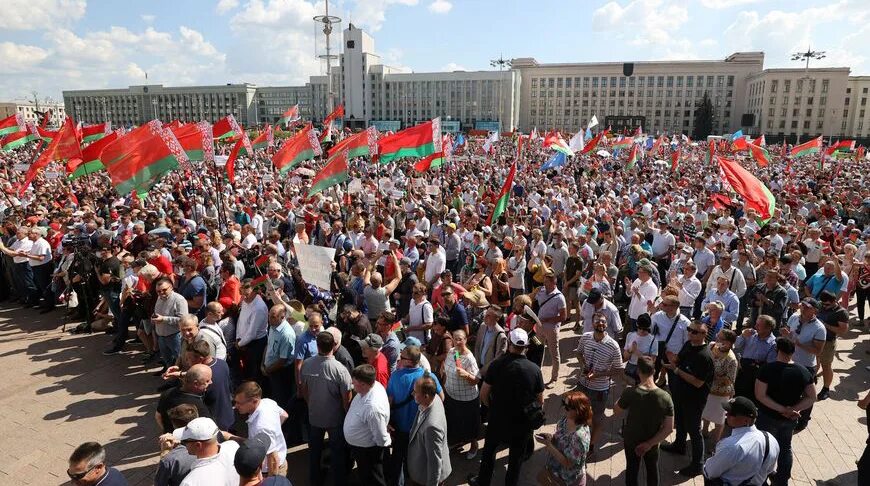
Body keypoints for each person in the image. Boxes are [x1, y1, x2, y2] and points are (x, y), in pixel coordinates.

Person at [469, 328, 544, 486]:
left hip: (498, 419)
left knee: (489, 452)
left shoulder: (496, 365)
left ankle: (483, 482)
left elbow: (484, 393)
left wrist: (491, 407)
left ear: (509, 343)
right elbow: (540, 400)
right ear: (526, 346)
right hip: (522, 424)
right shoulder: (535, 370)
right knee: (516, 460)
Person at [755, 337, 816, 486]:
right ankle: (782, 481)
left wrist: (782, 409)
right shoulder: (803, 371)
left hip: (767, 417)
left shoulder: (767, 369)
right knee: (785, 448)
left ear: (777, 350)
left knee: (764, 449)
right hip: (789, 420)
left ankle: (760, 480)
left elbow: (760, 395)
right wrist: (793, 410)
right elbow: (812, 397)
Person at [661, 320, 714, 477]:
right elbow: (679, 361)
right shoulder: (688, 345)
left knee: (694, 430)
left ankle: (698, 464)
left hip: (694, 399)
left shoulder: (705, 357)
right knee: (681, 421)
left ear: (704, 334)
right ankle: (679, 445)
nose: (690, 333)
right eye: (689, 329)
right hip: (680, 393)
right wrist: (670, 362)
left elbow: (698, 382)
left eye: (695, 331)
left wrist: (676, 370)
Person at [385, 345, 443, 486]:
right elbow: (441, 398)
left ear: (410, 361)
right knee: (419, 458)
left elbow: (389, 402)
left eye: (402, 357)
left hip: (401, 429)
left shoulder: (396, 376)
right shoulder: (430, 377)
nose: (399, 359)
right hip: (421, 429)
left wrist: (386, 422)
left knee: (398, 458)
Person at [300, 330, 353, 486]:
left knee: (315, 451)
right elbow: (347, 396)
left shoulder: (307, 364)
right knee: (337, 453)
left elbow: (304, 390)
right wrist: (345, 413)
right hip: (335, 418)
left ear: (317, 346)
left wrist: (311, 405)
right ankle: (339, 481)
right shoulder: (340, 369)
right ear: (334, 345)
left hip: (314, 416)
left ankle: (315, 480)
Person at [614, 356, 674, 486]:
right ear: (654, 372)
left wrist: (622, 397)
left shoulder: (630, 392)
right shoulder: (665, 397)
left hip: (631, 439)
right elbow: (669, 428)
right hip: (653, 441)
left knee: (632, 468)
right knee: (652, 469)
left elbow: (616, 410)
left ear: (638, 372)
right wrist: (649, 444)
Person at [574, 312, 624, 457]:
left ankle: (590, 447)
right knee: (578, 414)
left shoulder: (613, 345)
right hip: (582, 384)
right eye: (597, 321)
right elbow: (579, 353)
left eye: (603, 321)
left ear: (607, 324)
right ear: (592, 323)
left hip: (600, 390)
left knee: (597, 419)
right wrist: (583, 365)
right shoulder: (585, 337)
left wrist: (599, 375)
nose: (600, 324)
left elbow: (619, 369)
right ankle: (577, 441)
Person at [702, 397, 779, 485]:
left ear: (746, 420)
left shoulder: (731, 446)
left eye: (731, 413)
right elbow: (769, 470)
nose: (726, 415)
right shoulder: (771, 439)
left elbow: (709, 472)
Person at [781, 297, 826, 432]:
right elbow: (788, 334)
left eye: (807, 307)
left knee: (807, 396)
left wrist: (798, 343)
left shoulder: (819, 328)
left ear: (815, 311)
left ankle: (803, 420)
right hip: (789, 361)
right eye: (803, 305)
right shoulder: (794, 317)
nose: (803, 308)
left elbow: (818, 350)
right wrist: (786, 336)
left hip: (806, 365)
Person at [343, 364, 391, 486]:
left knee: (373, 478)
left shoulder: (373, 407)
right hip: (361, 448)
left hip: (368, 451)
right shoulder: (373, 386)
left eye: (355, 383)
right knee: (365, 475)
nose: (352, 385)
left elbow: (380, 436)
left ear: (364, 384)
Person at [230, 381, 289, 477]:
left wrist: (271, 481)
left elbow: (273, 459)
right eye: (235, 402)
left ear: (254, 400)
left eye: (239, 403)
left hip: (270, 470)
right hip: (282, 461)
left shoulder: (261, 426)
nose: (236, 406)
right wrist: (274, 429)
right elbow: (285, 415)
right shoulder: (268, 402)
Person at [536, 391, 592, 486]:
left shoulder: (579, 437)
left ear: (578, 411)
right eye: (563, 403)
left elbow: (568, 464)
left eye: (567, 407)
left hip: (568, 479)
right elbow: (559, 438)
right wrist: (551, 438)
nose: (563, 408)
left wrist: (549, 445)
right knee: (540, 477)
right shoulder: (565, 419)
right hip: (555, 469)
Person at [406, 373, 452, 486]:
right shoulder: (435, 398)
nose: (412, 394)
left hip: (425, 477)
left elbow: (434, 462)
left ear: (426, 396)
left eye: (415, 392)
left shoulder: (432, 427)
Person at [442, 328, 481, 459]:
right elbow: (448, 370)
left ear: (465, 340)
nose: (457, 341)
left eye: (460, 339)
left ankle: (474, 445)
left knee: (470, 424)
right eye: (455, 338)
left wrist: (466, 375)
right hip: (451, 395)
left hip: (467, 399)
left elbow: (475, 380)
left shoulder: (469, 358)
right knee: (455, 421)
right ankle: (458, 441)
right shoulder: (453, 352)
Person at [176, 417, 241, 486]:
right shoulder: (233, 447)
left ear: (198, 445)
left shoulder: (190, 482)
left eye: (185, 441)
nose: (182, 443)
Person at [701, 328, 738, 447]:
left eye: (720, 338)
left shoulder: (731, 359)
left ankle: (715, 443)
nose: (717, 339)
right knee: (705, 412)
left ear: (728, 343)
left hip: (721, 394)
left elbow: (730, 380)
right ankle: (704, 431)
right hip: (707, 389)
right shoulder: (712, 346)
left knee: (718, 419)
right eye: (718, 336)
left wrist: (712, 376)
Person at [155, 364, 212, 433]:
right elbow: (210, 431)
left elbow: (158, 416)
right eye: (207, 381)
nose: (211, 382)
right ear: (196, 384)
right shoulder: (198, 407)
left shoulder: (167, 393)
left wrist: (168, 432)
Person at [733, 314, 777, 399]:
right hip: (742, 370)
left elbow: (770, 364)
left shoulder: (773, 343)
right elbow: (736, 346)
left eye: (759, 325)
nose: (755, 327)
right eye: (756, 324)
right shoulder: (750, 335)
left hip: (756, 375)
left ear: (768, 328)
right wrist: (742, 336)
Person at [815, 290, 849, 401]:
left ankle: (826, 389)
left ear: (835, 301)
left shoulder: (841, 312)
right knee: (815, 362)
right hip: (815, 340)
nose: (824, 306)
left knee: (826, 366)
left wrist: (825, 325)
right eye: (823, 303)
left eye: (827, 304)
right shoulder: (821, 305)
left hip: (828, 342)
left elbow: (843, 330)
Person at [152, 277, 189, 375]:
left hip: (174, 336)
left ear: (171, 287)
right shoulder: (159, 297)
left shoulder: (179, 300)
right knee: (167, 360)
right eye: (158, 291)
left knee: (179, 361)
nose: (161, 293)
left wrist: (164, 319)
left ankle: (179, 382)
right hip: (161, 336)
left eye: (164, 290)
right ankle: (169, 376)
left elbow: (183, 320)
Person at [535, 268, 566, 385]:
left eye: (547, 282)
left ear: (554, 282)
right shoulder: (541, 291)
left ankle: (554, 378)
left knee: (554, 353)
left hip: (551, 330)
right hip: (539, 328)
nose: (544, 284)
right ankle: (537, 374)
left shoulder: (560, 297)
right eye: (544, 281)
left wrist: (547, 319)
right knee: (538, 349)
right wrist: (534, 292)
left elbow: (563, 317)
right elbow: (531, 299)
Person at [263, 303, 297, 409]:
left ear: (282, 317)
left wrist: (268, 370)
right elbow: (268, 345)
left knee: (280, 400)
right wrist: (263, 363)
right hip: (269, 369)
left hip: (280, 372)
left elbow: (283, 360)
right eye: (269, 316)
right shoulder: (273, 326)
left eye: (272, 317)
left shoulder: (286, 334)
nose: (269, 319)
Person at [236, 279, 269, 385]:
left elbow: (252, 333)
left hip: (256, 344)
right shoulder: (247, 301)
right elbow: (241, 321)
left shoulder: (259, 308)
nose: (243, 297)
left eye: (247, 294)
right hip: (244, 341)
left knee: (254, 375)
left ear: (255, 292)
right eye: (242, 294)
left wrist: (239, 344)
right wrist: (238, 337)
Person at [155, 404, 198, 486]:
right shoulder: (216, 439)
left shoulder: (172, 459)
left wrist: (165, 451)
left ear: (173, 424)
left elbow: (159, 482)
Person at [622, 313, 657, 385]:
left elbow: (651, 362)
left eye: (645, 329)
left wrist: (637, 352)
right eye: (639, 328)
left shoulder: (653, 340)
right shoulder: (630, 335)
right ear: (637, 325)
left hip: (644, 370)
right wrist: (630, 350)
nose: (641, 331)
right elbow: (624, 358)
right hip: (630, 368)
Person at [473, 305, 507, 377]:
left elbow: (498, 358)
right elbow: (477, 346)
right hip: (478, 368)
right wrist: (477, 365)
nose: (485, 317)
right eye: (486, 314)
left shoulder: (501, 336)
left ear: (497, 318)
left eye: (488, 316)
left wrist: (482, 371)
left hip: (489, 373)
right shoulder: (483, 326)